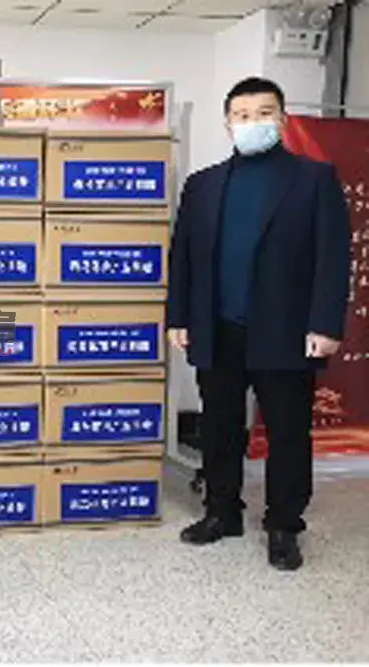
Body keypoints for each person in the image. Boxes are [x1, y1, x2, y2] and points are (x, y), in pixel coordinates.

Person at [166, 77, 351, 571]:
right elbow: (183, 256)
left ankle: (284, 525)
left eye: (264, 113)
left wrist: (326, 324)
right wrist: (178, 316)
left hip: (288, 331)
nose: (253, 123)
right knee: (220, 426)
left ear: (282, 120)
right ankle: (221, 512)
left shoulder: (313, 179)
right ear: (228, 124)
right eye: (242, 115)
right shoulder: (203, 185)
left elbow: (333, 258)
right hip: (217, 327)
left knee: (288, 432)